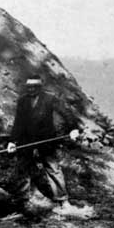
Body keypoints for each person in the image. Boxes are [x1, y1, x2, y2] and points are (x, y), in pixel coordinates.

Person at [6, 75, 81, 211]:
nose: (31, 89)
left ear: (40, 87)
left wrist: (74, 128)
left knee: (53, 168)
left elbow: (67, 113)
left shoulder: (50, 98)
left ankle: (62, 200)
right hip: (26, 140)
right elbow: (18, 123)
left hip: (45, 139)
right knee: (22, 169)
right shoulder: (22, 101)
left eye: (34, 87)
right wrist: (12, 141)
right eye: (29, 87)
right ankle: (22, 201)